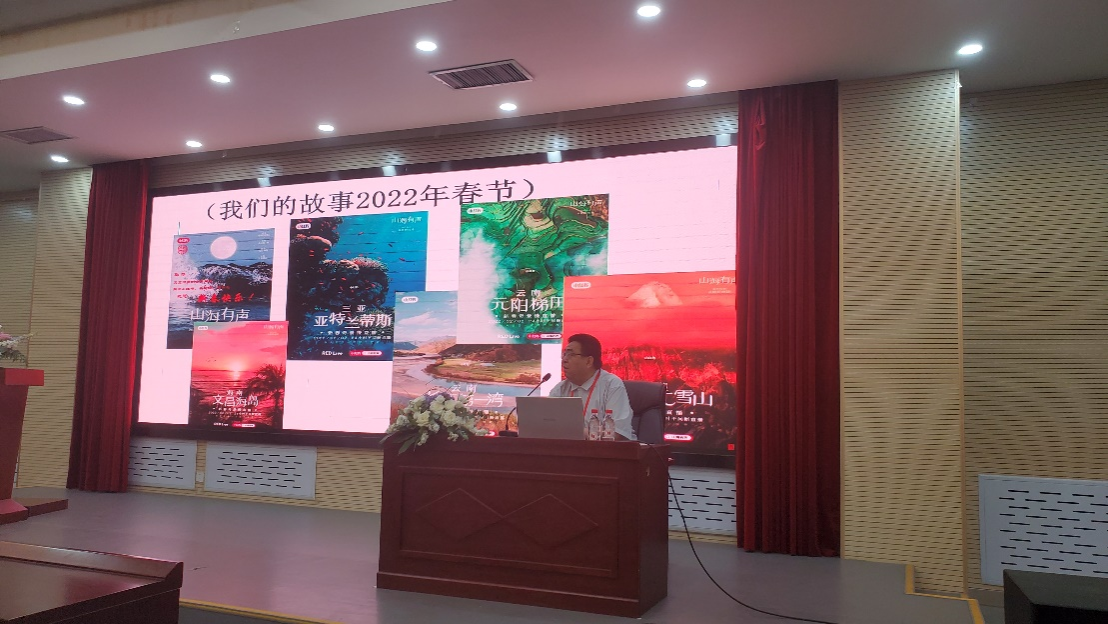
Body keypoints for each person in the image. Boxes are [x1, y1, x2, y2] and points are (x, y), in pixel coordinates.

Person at [550, 333, 635, 440]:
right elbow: (548, 425)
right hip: (568, 448)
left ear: (589, 361)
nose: (565, 359)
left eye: (571, 355)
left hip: (606, 449)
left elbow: (616, 432)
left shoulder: (611, 385)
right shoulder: (560, 389)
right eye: (565, 354)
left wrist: (573, 433)